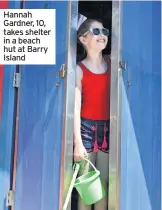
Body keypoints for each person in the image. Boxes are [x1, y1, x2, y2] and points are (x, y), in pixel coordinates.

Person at [74, 19, 111, 210]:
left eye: (104, 30)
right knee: (88, 188)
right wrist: (78, 143)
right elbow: (75, 109)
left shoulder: (112, 64)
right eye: (96, 31)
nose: (102, 34)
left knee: (103, 185)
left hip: (107, 129)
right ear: (83, 39)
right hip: (86, 130)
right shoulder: (79, 69)